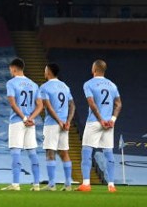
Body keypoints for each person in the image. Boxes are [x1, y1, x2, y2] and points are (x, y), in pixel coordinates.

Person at [79, 59, 122, 192]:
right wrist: (112, 120)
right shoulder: (112, 85)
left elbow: (92, 103)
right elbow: (119, 104)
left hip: (94, 122)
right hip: (109, 124)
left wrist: (100, 119)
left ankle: (86, 184)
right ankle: (111, 185)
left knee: (87, 151)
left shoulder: (88, 84)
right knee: (108, 153)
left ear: (94, 69)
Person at [3, 58, 44, 191]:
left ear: (14, 69)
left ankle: (15, 184)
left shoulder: (11, 83)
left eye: (10, 69)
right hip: (30, 123)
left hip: (17, 121)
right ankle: (36, 184)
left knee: (16, 151)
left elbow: (12, 103)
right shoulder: (33, 84)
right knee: (32, 151)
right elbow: (40, 105)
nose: (10, 72)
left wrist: (24, 117)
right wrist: (31, 118)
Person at [38, 63, 75, 191]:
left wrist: (59, 121)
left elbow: (48, 106)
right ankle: (68, 184)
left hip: (52, 124)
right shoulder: (65, 86)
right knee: (64, 153)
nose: (44, 72)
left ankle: (52, 184)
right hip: (65, 125)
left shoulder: (44, 87)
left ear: (48, 72)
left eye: (45, 70)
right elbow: (72, 105)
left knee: (50, 152)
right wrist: (68, 121)